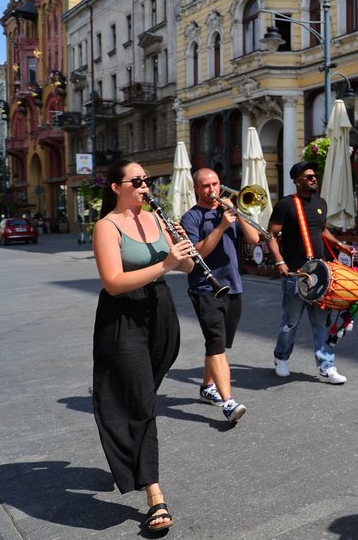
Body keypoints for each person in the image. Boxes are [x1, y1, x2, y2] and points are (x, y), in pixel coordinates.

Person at [91, 159, 195, 533]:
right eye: (136, 181)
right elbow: (114, 282)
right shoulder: (107, 226)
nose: (145, 185)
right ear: (117, 188)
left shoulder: (156, 219)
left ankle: (128, 451)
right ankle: (154, 492)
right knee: (142, 402)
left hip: (160, 315)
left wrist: (184, 253)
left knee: (138, 399)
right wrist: (167, 263)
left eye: (147, 180)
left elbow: (185, 269)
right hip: (124, 319)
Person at [181, 168, 261, 423]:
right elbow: (196, 254)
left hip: (233, 286)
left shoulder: (228, 212)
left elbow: (254, 239)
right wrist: (222, 225)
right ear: (196, 188)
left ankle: (207, 388)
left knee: (218, 343)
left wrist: (239, 214)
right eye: (205, 185)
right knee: (216, 342)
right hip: (205, 288)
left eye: (215, 183)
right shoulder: (190, 218)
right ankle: (228, 402)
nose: (212, 189)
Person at [268, 161, 356, 384]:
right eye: (308, 177)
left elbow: (321, 229)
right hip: (296, 274)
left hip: (320, 274)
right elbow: (271, 235)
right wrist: (279, 261)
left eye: (314, 176)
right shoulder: (286, 205)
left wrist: (339, 245)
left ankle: (326, 367)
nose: (314, 179)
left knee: (320, 323)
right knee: (291, 322)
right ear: (297, 181)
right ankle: (281, 357)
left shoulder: (320, 203)